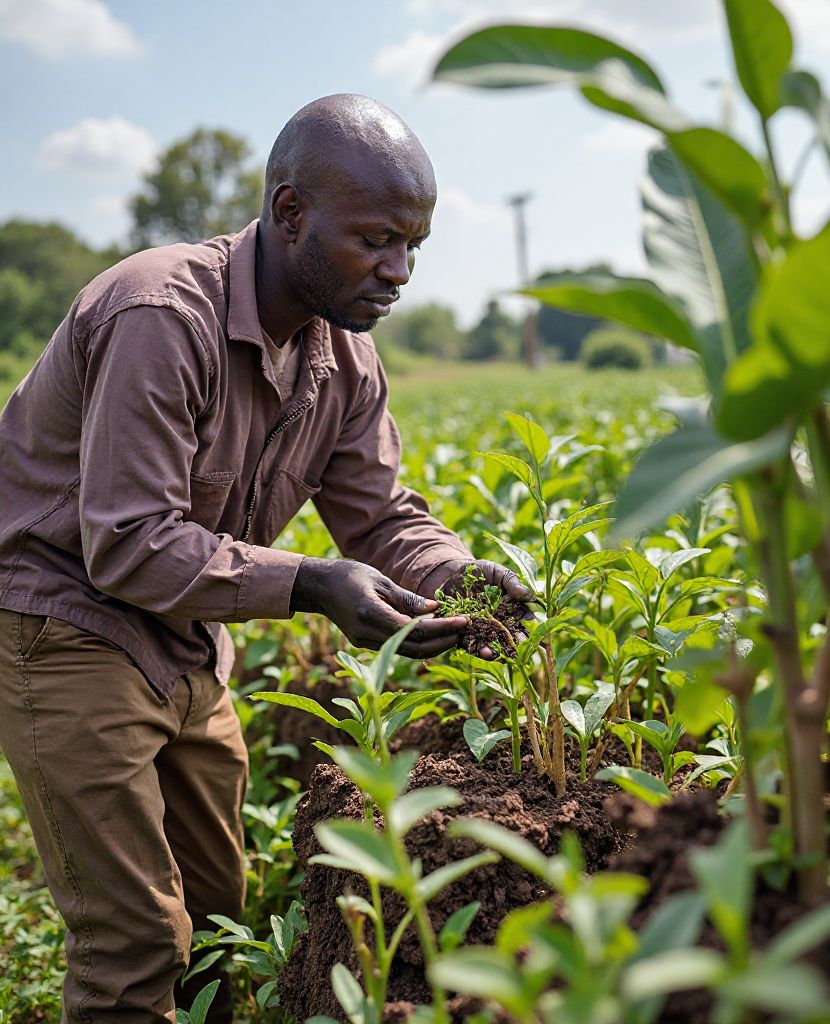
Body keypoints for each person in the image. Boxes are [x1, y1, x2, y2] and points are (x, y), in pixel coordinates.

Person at [0, 94, 529, 1024]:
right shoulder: (161, 313)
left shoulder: (345, 361)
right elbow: (126, 542)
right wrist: (313, 585)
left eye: (415, 246)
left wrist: (461, 575)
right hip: (64, 623)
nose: (399, 271)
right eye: (376, 240)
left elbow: (382, 516)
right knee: (134, 940)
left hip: (189, 639)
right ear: (290, 215)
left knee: (215, 913)